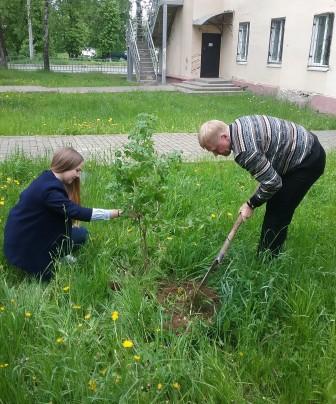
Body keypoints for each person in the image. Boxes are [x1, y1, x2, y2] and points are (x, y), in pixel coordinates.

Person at [198, 115, 326, 257]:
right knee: (275, 201)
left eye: (215, 149)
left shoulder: (244, 151)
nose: (216, 154)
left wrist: (251, 204)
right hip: (303, 144)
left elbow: (273, 183)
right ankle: (267, 254)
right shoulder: (239, 123)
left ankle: (267, 259)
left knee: (278, 210)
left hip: (307, 160)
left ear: (224, 137)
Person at [4, 147, 122, 281]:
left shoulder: (46, 178)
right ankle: (45, 260)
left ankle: (58, 253)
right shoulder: (49, 191)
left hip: (27, 237)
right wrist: (115, 213)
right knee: (48, 279)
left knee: (81, 234)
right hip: (26, 248)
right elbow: (77, 212)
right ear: (65, 165)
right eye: (77, 170)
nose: (78, 175)